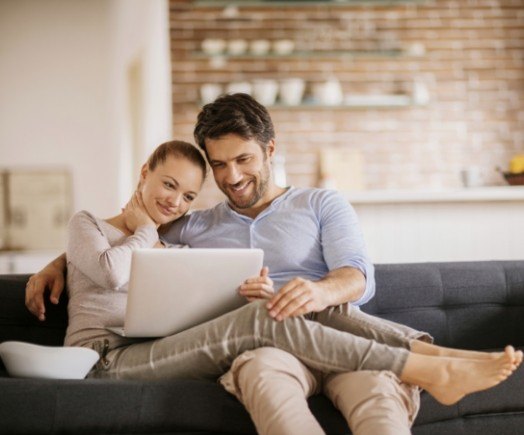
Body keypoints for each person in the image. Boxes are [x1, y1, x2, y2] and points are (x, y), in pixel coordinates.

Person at [26, 96, 521, 435]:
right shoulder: (194, 224)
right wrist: (63, 263)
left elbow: (357, 277)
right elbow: (126, 236)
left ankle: (437, 364)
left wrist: (319, 291)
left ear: (269, 150)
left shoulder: (321, 203)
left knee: (372, 391)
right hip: (264, 347)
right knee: (268, 345)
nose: (232, 176)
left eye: (242, 160)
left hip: (337, 332)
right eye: (218, 166)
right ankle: (434, 361)